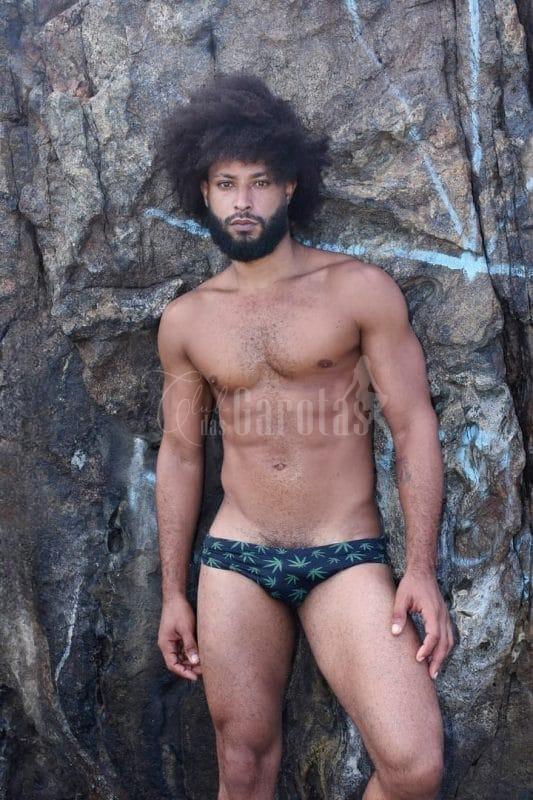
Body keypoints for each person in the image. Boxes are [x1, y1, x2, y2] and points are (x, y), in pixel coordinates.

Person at [155, 72, 455, 800]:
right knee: (243, 767)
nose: (243, 201)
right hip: (236, 558)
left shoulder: (357, 290)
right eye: (226, 184)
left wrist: (419, 569)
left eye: (260, 182)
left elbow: (413, 425)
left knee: (414, 766)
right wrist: (172, 592)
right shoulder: (187, 321)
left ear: (290, 186)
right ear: (204, 192)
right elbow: (182, 453)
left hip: (343, 555)